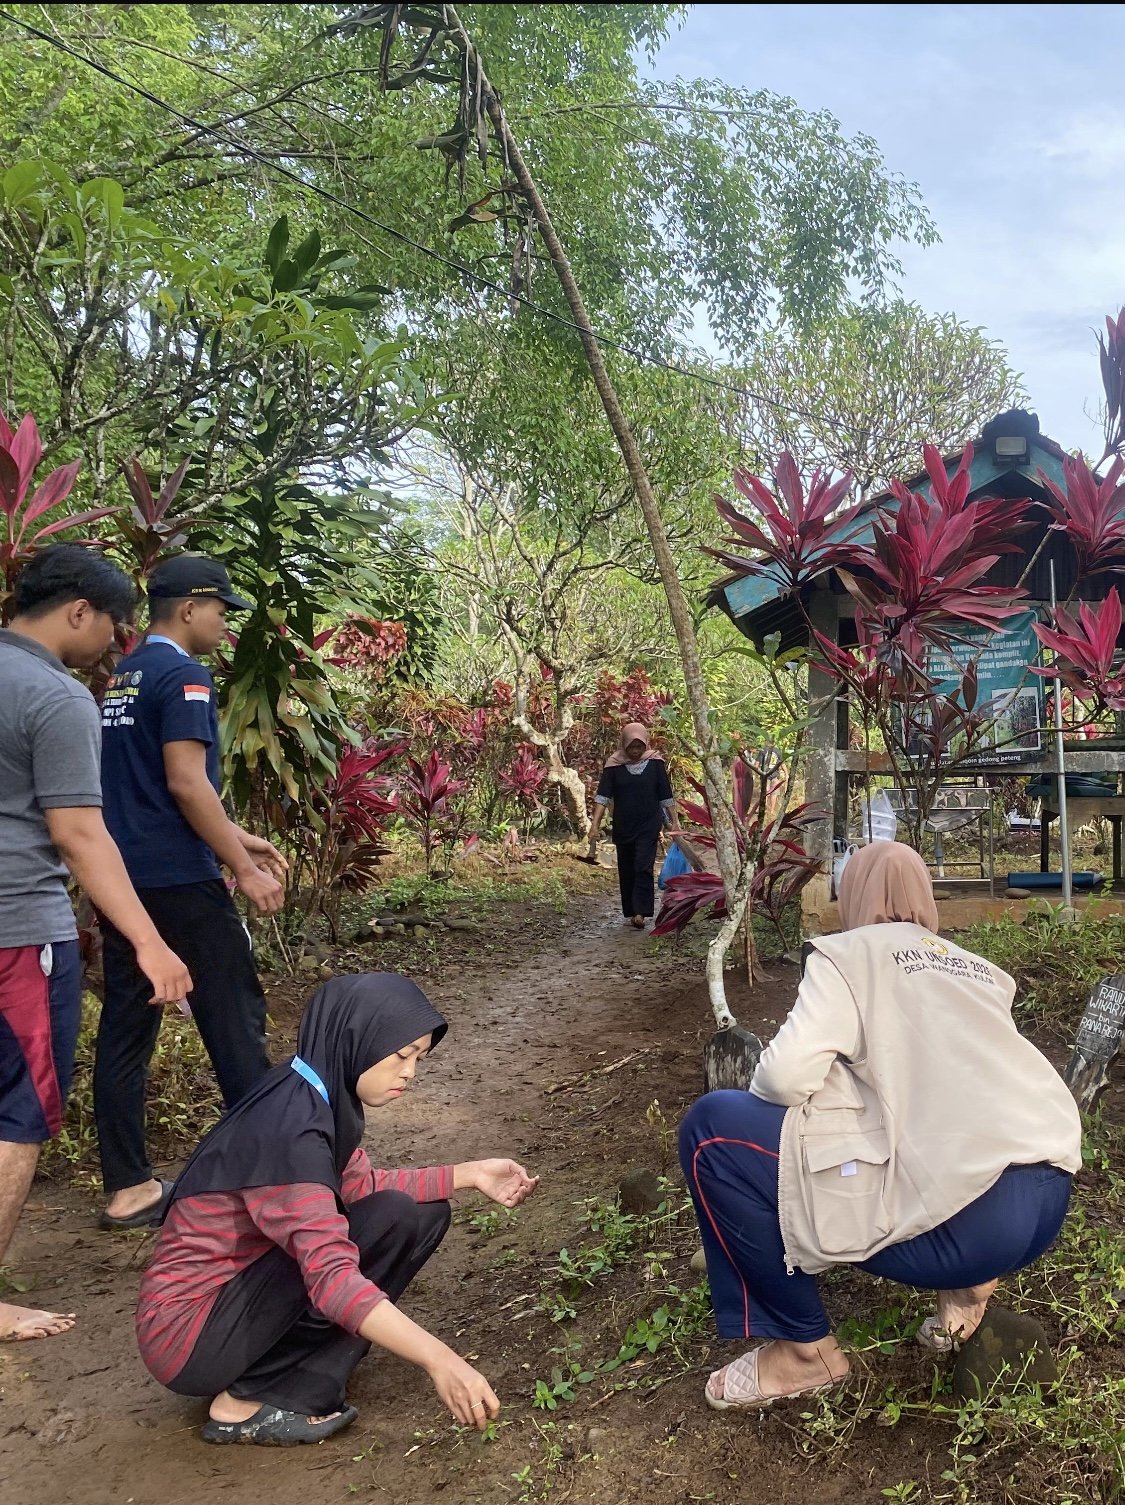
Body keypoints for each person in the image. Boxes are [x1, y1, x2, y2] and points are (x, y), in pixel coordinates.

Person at [679, 840, 1081, 1411]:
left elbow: (783, 1078)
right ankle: (968, 1292)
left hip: (968, 1225)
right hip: (1046, 1204)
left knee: (712, 1130)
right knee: (928, 1121)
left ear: (855, 896)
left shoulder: (849, 953)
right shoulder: (978, 969)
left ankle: (803, 1354)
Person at [136, 973, 539, 1445]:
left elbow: (362, 1188)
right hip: (189, 1333)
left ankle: (296, 1371)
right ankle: (247, 1401)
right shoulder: (289, 1135)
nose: (410, 1072)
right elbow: (330, 1276)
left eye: (419, 1058)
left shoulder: (312, 1092)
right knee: (347, 1254)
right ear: (356, 1039)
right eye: (400, 1055)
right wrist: (442, 1360)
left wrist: (469, 1174)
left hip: (227, 1305)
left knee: (410, 1213)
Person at [0, 546, 192, 1342]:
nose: (115, 643)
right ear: (79, 609)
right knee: (17, 1113)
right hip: (18, 933)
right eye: (114, 624)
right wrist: (150, 943)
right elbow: (79, 832)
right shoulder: (55, 695)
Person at [95, 555, 287, 1230]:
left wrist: (238, 837)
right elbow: (184, 782)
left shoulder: (122, 676)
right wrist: (242, 866)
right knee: (233, 1015)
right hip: (181, 879)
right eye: (219, 610)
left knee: (127, 1025)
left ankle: (128, 1187)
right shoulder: (185, 675)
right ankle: (268, 1174)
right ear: (186, 609)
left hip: (122, 879)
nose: (223, 623)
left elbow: (147, 789)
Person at [587, 722, 680, 928]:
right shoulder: (614, 765)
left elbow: (666, 795)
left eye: (639, 747)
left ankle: (641, 912)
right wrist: (594, 825)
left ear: (646, 744)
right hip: (623, 825)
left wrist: (674, 822)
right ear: (624, 745)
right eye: (632, 747)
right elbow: (602, 797)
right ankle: (630, 910)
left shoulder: (655, 763)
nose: (636, 751)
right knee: (627, 867)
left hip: (648, 824)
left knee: (643, 866)